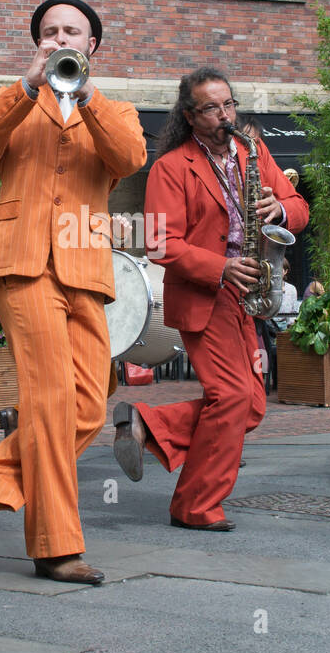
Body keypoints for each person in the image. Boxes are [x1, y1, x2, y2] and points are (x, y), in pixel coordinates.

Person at [0, 0, 146, 584]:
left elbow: (128, 158)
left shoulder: (116, 109)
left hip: (84, 267)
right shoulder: (16, 101)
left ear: (91, 46)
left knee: (90, 402)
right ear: (36, 43)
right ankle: (56, 546)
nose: (60, 40)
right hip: (21, 264)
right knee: (49, 398)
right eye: (49, 32)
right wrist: (27, 86)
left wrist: (87, 95)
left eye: (71, 32)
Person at [111, 67, 309, 529]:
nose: (224, 115)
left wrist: (280, 207)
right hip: (207, 295)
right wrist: (220, 267)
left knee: (252, 404)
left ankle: (150, 426)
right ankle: (196, 506)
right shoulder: (171, 167)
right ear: (190, 115)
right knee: (233, 395)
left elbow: (297, 205)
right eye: (211, 108)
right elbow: (160, 243)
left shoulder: (253, 150)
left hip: (250, 291)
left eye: (229, 105)